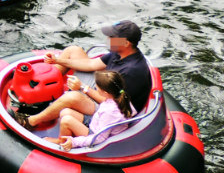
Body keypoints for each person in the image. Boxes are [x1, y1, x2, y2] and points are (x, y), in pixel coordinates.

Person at [14, 20, 152, 130]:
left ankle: (31, 121)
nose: (108, 39)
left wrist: (83, 88)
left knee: (73, 97)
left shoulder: (131, 72)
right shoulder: (119, 53)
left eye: (112, 37)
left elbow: (112, 104)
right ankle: (48, 94)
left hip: (114, 111)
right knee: (74, 50)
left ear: (126, 43)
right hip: (105, 89)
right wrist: (58, 60)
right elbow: (91, 65)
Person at [45, 70, 136, 150]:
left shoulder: (110, 112)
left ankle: (63, 143)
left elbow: (99, 138)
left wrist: (74, 142)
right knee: (65, 112)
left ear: (105, 92)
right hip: (96, 124)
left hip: (96, 134)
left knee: (66, 120)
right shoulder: (121, 96)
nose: (95, 88)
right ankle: (66, 137)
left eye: (97, 87)